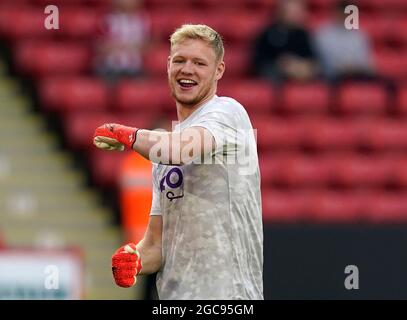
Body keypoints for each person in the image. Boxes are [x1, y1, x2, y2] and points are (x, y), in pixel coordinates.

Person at [92, 24, 263, 300]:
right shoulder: (162, 154)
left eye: (199, 63)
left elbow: (181, 149)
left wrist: (128, 134)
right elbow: (158, 244)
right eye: (180, 60)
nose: (187, 69)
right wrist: (135, 259)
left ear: (219, 70)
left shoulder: (229, 112)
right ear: (168, 65)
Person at [252, 0, 318, 83]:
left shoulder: (302, 34)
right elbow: (259, 63)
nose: (296, 15)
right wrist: (281, 65)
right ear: (281, 12)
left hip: (300, 78)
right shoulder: (268, 33)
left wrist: (300, 67)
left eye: (297, 12)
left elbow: (312, 61)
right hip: (274, 80)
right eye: (292, 12)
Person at [313, 0, 376, 82]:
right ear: (335, 13)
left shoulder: (359, 35)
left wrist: (353, 67)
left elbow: (367, 63)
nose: (344, 16)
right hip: (332, 78)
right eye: (341, 13)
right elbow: (322, 62)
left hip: (357, 75)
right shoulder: (323, 34)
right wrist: (342, 67)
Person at [94, 0, 150, 83]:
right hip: (110, 68)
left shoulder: (143, 19)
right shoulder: (107, 19)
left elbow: (148, 44)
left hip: (136, 68)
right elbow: (98, 45)